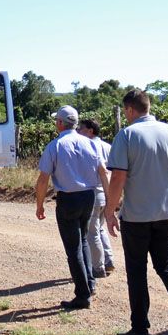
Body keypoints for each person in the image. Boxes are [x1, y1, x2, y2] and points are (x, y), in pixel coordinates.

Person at [104, 89, 168, 335]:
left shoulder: (127, 135)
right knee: (166, 264)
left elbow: (118, 178)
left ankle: (140, 328)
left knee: (137, 270)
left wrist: (110, 211)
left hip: (137, 215)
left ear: (129, 110)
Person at [35, 105, 107, 310]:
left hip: (68, 198)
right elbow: (103, 172)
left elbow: (43, 179)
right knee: (83, 240)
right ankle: (89, 283)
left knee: (73, 248)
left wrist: (39, 205)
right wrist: (111, 201)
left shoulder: (55, 146)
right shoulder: (91, 144)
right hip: (89, 196)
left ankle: (82, 295)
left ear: (59, 123)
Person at [76, 118, 114, 279]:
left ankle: (98, 268)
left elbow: (102, 171)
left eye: (81, 128)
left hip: (93, 193)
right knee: (99, 228)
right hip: (106, 194)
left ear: (90, 130)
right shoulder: (108, 147)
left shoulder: (88, 147)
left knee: (92, 233)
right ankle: (108, 260)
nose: (78, 131)